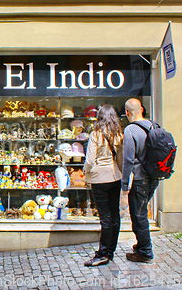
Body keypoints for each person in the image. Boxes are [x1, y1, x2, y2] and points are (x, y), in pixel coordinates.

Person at [83, 104, 123, 267]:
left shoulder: (96, 134)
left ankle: (102, 253)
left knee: (105, 216)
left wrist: (86, 174)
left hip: (99, 178)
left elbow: (90, 160)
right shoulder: (118, 134)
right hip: (115, 177)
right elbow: (120, 159)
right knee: (115, 215)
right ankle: (110, 251)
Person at [121, 98, 159, 263]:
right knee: (141, 214)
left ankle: (145, 252)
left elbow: (128, 160)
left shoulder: (130, 130)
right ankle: (141, 244)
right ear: (142, 109)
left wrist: (124, 185)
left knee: (139, 217)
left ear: (128, 113)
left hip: (139, 180)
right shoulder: (154, 125)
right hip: (154, 177)